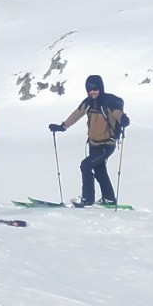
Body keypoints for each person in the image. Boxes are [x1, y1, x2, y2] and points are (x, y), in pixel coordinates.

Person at [49, 74, 127, 207]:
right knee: (99, 170)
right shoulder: (88, 102)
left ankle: (87, 199)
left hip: (107, 144)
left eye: (95, 89)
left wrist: (123, 119)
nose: (92, 92)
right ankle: (109, 199)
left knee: (86, 165)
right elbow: (76, 114)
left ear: (100, 88)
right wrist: (63, 126)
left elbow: (117, 113)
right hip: (93, 144)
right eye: (89, 89)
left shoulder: (108, 102)